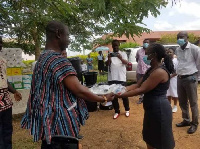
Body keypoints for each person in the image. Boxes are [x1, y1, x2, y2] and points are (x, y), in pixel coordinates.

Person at [21, 21, 114, 148]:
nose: (69, 40)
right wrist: (103, 98)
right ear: (59, 34)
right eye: (68, 35)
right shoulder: (58, 61)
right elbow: (79, 90)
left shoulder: (42, 58)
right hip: (61, 127)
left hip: (48, 125)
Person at [116, 43, 175, 149]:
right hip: (151, 109)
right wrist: (121, 89)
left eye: (147, 54)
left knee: (161, 141)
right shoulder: (151, 69)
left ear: (154, 55)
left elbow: (141, 89)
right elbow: (137, 84)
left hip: (159, 110)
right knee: (150, 138)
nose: (145, 57)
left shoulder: (160, 72)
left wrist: (119, 95)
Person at [175, 31, 200, 134]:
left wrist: (197, 78)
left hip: (191, 78)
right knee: (182, 101)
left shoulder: (195, 49)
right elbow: (179, 63)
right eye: (178, 37)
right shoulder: (177, 49)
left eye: (182, 37)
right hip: (180, 78)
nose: (179, 38)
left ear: (187, 37)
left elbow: (199, 64)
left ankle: (194, 123)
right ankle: (186, 120)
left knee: (193, 102)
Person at [0, 36, 22, 149]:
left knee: (8, 131)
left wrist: (15, 91)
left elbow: (4, 80)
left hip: (6, 102)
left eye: (1, 43)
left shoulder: (3, 61)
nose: (0, 45)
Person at [105, 39, 130, 119]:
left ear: (119, 45)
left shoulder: (123, 53)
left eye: (116, 45)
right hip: (112, 78)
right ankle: (116, 111)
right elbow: (106, 64)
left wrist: (120, 58)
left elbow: (126, 62)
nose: (115, 47)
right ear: (112, 46)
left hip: (121, 77)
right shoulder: (109, 54)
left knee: (124, 94)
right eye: (114, 45)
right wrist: (109, 58)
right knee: (113, 95)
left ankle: (127, 109)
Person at [135, 39, 150, 104]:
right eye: (145, 42)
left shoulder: (151, 51)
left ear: (149, 44)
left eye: (147, 42)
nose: (146, 43)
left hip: (148, 71)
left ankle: (147, 98)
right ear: (143, 43)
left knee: (148, 85)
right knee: (140, 85)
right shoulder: (139, 51)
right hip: (140, 71)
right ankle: (141, 98)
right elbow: (137, 59)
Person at [166, 47, 178, 113]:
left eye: (171, 52)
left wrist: (171, 76)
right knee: (168, 92)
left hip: (174, 79)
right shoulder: (165, 60)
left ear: (173, 53)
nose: (169, 53)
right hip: (167, 79)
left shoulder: (176, 60)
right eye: (168, 52)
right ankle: (169, 105)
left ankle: (175, 106)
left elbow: (177, 71)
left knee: (174, 92)